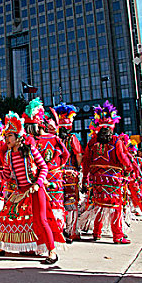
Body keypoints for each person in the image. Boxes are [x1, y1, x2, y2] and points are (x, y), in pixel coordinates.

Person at [0, 112, 63, 263]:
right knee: (6, 216)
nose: (6, 139)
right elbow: (6, 176)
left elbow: (43, 168)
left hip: (35, 190)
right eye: (6, 136)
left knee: (41, 219)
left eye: (9, 136)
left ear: (18, 137)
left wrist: (38, 183)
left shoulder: (30, 151)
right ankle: (0, 247)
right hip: (20, 191)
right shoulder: (8, 155)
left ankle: (52, 251)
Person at [79, 101, 133, 244]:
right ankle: (118, 235)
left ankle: (97, 233)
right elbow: (123, 158)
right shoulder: (116, 141)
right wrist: (129, 169)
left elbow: (86, 162)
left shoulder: (92, 142)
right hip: (113, 180)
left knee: (98, 206)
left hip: (97, 180)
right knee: (115, 207)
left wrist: (85, 178)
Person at [23, 98, 69, 233]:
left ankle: (39, 233)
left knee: (37, 207)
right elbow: (65, 155)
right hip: (54, 176)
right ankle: (56, 232)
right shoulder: (55, 139)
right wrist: (58, 166)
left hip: (37, 177)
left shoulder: (30, 140)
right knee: (55, 204)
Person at [53, 103, 83, 242]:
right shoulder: (72, 139)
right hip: (70, 174)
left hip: (57, 174)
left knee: (58, 202)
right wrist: (78, 167)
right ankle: (72, 231)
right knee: (71, 204)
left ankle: (59, 229)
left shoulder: (54, 139)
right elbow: (78, 154)